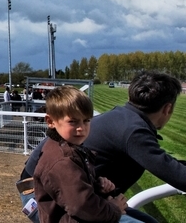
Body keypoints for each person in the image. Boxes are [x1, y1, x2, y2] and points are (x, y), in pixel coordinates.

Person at [19, 71, 186, 223]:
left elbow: (173, 167)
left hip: (71, 194)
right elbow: (184, 179)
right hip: (52, 199)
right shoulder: (133, 131)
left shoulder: (126, 119)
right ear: (168, 109)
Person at [28, 85, 134, 222]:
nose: (81, 128)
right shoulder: (62, 161)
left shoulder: (69, 148)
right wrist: (114, 209)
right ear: (51, 121)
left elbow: (74, 191)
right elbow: (81, 206)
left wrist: (97, 185)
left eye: (86, 120)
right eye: (73, 121)